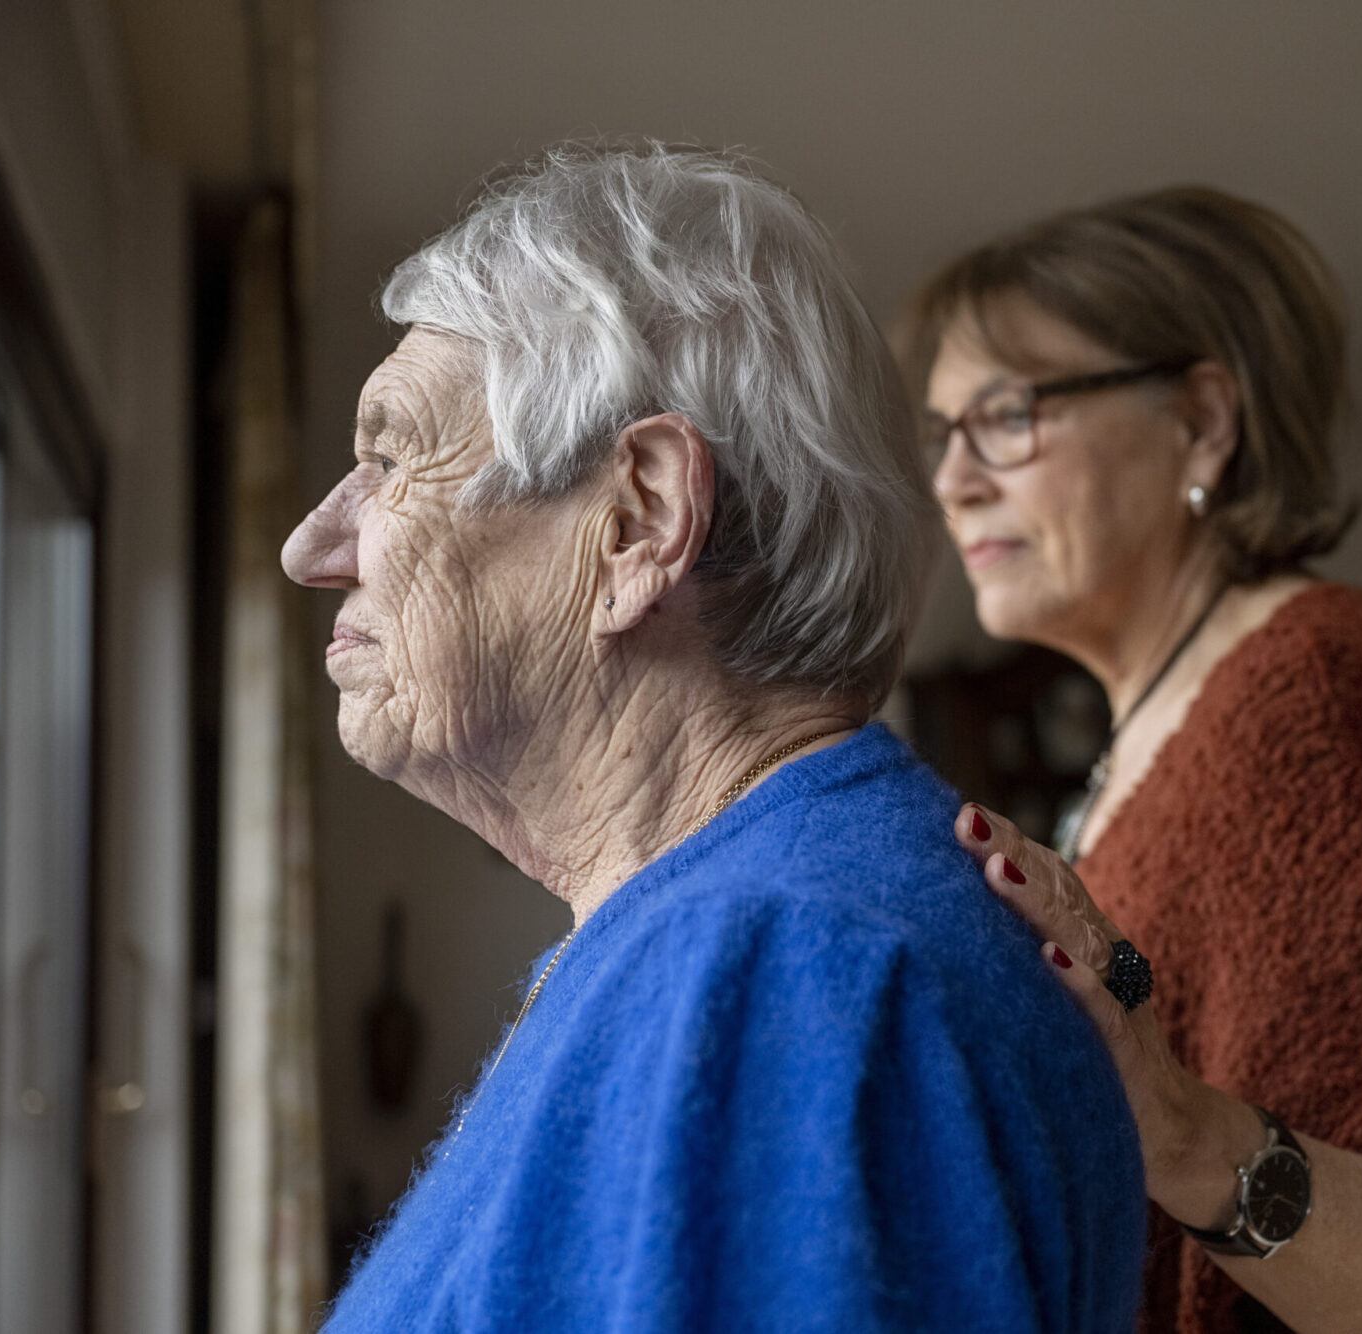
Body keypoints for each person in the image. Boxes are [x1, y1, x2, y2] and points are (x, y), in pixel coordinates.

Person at [283, 143, 1146, 1333]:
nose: (314, 547)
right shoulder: (736, 934)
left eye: (388, 458)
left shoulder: (779, 967)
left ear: (639, 520)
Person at [902, 187, 1362, 1334]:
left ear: (1200, 420)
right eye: (941, 433)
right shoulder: (1143, 741)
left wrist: (1181, 1134)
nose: (953, 479)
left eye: (1006, 414)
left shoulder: (1315, 684)